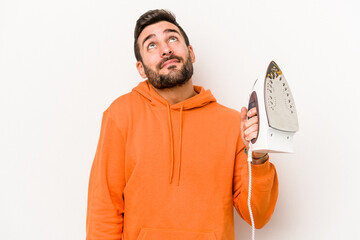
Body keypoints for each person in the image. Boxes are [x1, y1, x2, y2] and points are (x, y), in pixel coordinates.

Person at [86, 9, 278, 240]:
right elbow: (104, 208)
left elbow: (257, 216)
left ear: (190, 52)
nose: (166, 49)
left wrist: (258, 157)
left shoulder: (231, 124)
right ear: (141, 69)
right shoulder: (121, 114)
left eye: (172, 38)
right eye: (151, 45)